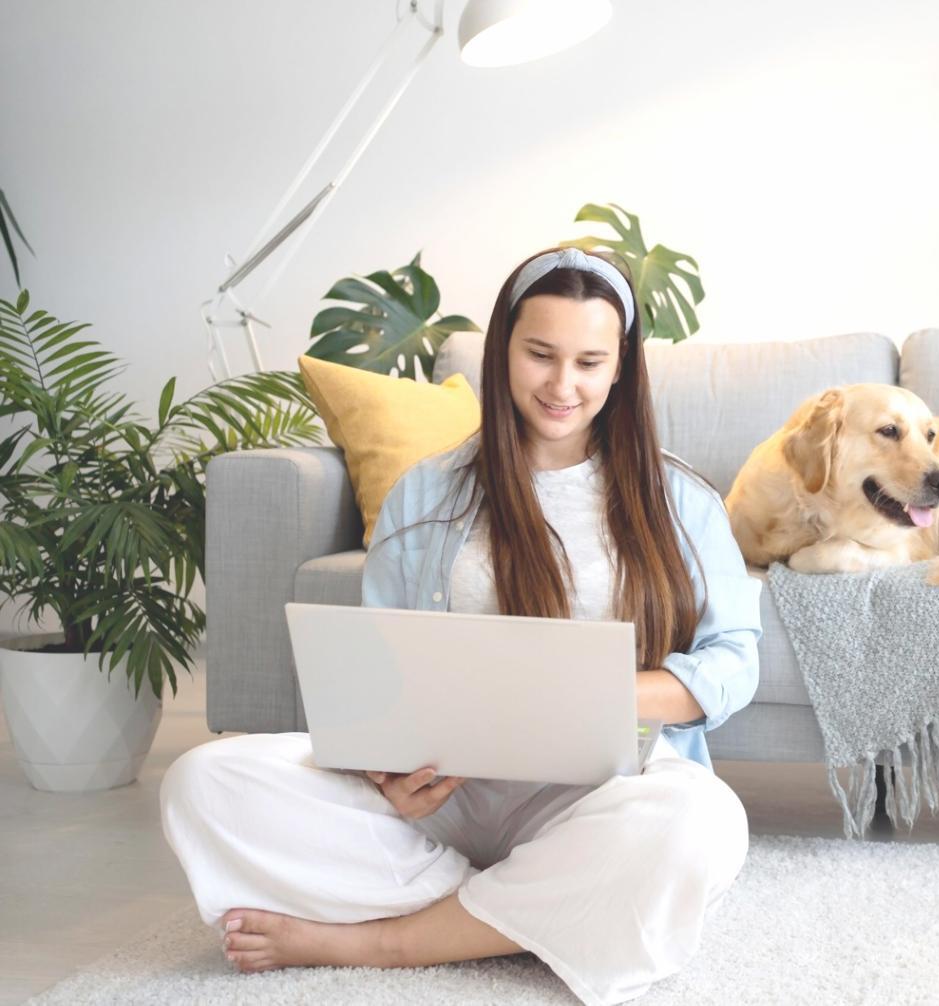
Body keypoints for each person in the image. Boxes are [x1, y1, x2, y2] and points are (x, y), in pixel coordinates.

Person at [159, 247, 762, 1006]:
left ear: (620, 369)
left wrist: (612, 693)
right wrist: (386, 770)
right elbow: (378, 668)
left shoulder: (679, 500)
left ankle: (388, 940)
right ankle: (526, 910)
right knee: (203, 781)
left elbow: (734, 659)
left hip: (597, 796)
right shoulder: (429, 494)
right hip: (445, 802)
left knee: (698, 821)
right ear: (503, 347)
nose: (562, 385)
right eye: (540, 354)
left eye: (588, 362)